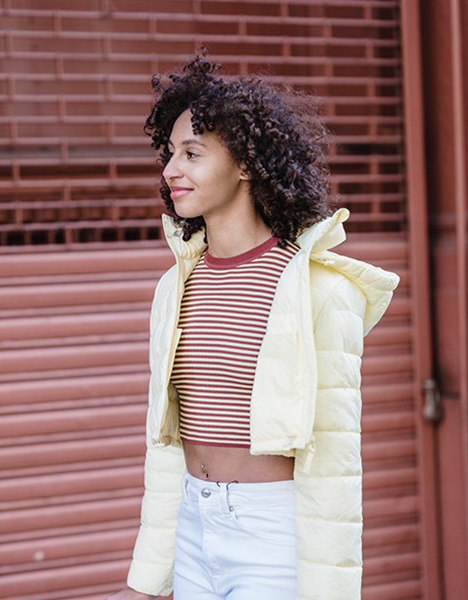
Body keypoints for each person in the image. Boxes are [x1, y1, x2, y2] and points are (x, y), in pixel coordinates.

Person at [106, 53, 400, 600]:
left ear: (245, 163)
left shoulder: (317, 288)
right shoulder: (176, 286)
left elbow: (334, 459)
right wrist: (149, 576)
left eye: (192, 153)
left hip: (273, 537)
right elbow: (167, 445)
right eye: (170, 154)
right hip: (194, 525)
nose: (172, 170)